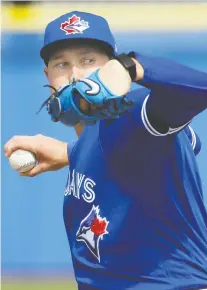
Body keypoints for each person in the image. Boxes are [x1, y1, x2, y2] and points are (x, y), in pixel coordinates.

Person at [4, 11, 207, 290]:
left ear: (110, 67)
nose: (75, 75)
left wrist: (132, 66)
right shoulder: (95, 143)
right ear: (47, 76)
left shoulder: (133, 115)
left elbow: (201, 90)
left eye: (88, 61)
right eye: (61, 64)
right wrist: (69, 153)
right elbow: (187, 143)